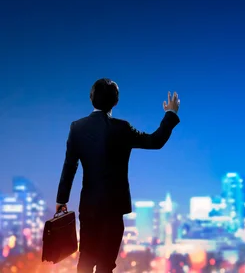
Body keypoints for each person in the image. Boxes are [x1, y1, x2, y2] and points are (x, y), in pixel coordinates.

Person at [55, 78, 180, 272]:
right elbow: (155, 141)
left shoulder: (77, 127)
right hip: (114, 207)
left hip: (89, 206)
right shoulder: (122, 128)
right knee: (106, 263)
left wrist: (62, 199)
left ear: (91, 99)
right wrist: (170, 114)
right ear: (116, 102)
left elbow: (69, 166)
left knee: (86, 259)